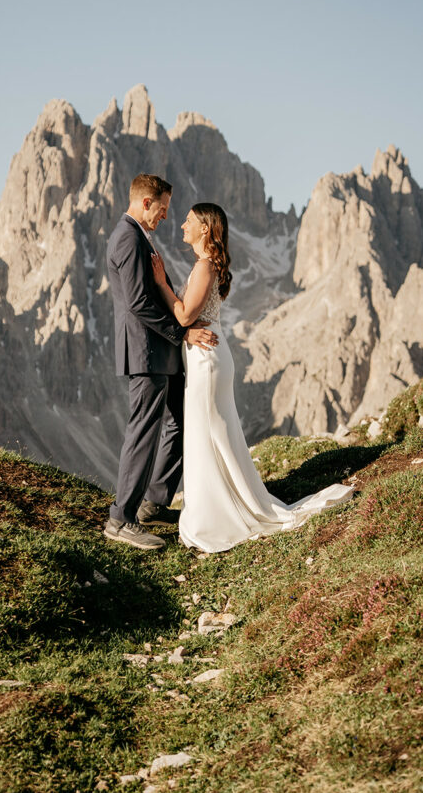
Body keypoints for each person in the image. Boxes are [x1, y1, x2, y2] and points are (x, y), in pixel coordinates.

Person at [151, 201, 354, 553]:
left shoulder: (203, 267)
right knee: (211, 434)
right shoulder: (206, 266)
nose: (182, 224)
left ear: (205, 228)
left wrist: (159, 282)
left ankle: (215, 514)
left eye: (189, 220)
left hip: (207, 363)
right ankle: (223, 505)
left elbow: (184, 315)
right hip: (206, 358)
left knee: (207, 433)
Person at [104, 174, 218, 550]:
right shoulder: (127, 237)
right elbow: (138, 303)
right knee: (143, 432)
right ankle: (121, 519)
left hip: (159, 352)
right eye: (164, 209)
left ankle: (154, 501)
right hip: (147, 351)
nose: (167, 217)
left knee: (180, 423)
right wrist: (182, 333)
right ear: (147, 202)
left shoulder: (138, 235)